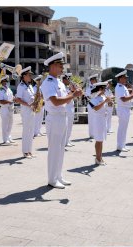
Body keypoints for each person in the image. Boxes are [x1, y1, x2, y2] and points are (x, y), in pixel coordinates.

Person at [40, 52, 81, 189]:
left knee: (61, 149)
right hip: (54, 117)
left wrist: (73, 93)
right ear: (52, 66)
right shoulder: (48, 83)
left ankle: (58, 175)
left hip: (62, 117)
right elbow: (56, 101)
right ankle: (52, 179)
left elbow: (65, 99)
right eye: (59, 65)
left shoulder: (59, 82)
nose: (62, 68)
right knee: (54, 149)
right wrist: (73, 95)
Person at [15, 67, 36, 159]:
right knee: (26, 131)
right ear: (24, 76)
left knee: (31, 131)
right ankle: (25, 151)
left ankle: (29, 150)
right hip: (26, 110)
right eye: (29, 75)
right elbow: (18, 99)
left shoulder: (30, 85)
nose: (30, 76)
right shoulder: (21, 86)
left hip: (32, 110)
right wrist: (28, 105)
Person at [88, 81, 111, 165]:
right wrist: (105, 102)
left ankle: (99, 157)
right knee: (98, 140)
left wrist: (109, 102)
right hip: (97, 121)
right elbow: (96, 108)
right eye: (104, 88)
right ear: (100, 89)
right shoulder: (94, 99)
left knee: (101, 140)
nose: (105, 90)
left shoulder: (102, 97)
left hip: (102, 120)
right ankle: (98, 158)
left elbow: (106, 107)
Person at [114, 70, 133, 152]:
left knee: (124, 128)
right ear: (120, 79)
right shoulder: (119, 87)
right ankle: (119, 145)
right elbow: (123, 99)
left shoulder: (123, 87)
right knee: (122, 128)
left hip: (125, 109)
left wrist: (132, 93)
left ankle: (123, 145)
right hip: (122, 109)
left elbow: (127, 97)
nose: (126, 79)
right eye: (124, 78)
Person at [0, 75, 14, 145]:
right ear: (2, 82)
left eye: (7, 81)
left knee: (10, 123)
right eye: (6, 81)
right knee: (5, 124)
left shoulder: (8, 89)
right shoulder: (1, 90)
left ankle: (9, 137)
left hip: (10, 108)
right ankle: (5, 139)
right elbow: (0, 101)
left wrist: (14, 98)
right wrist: (8, 102)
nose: (7, 82)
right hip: (4, 109)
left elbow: (11, 97)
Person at [61, 73, 75, 148]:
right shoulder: (63, 88)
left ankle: (67, 140)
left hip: (71, 108)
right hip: (67, 109)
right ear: (64, 79)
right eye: (68, 79)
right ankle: (65, 141)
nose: (69, 81)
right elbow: (68, 99)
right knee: (66, 126)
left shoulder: (67, 88)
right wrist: (73, 92)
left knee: (70, 126)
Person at [85, 73, 99, 139]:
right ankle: (91, 134)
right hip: (91, 104)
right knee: (91, 120)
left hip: (97, 104)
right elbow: (88, 96)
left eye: (96, 79)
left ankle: (95, 133)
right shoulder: (89, 88)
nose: (96, 80)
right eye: (95, 79)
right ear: (91, 80)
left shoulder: (96, 87)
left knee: (96, 119)